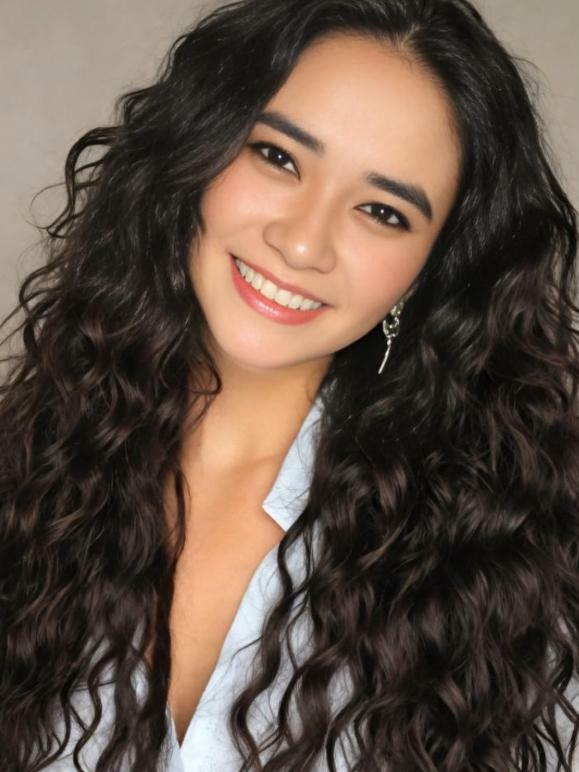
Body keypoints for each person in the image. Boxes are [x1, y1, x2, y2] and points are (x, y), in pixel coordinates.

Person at [1, 0, 578, 769]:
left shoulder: (513, 574)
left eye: (382, 211)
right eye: (277, 157)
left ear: (427, 271)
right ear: (197, 154)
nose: (303, 242)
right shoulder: (25, 476)